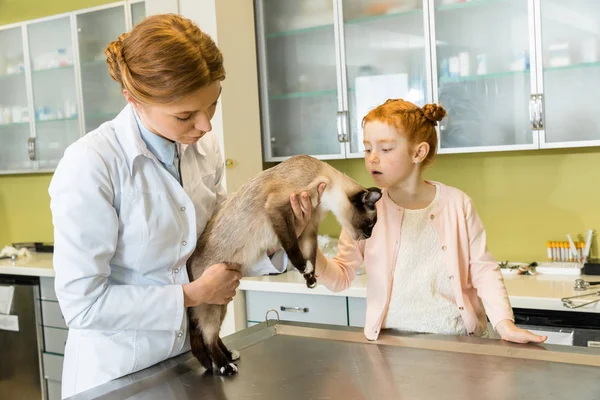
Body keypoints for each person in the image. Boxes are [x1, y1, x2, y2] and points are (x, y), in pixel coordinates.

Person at [48, 14, 320, 397]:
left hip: (188, 361)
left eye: (212, 105)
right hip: (117, 374)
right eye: (185, 115)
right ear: (133, 99)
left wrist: (277, 238)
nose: (206, 125)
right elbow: (83, 305)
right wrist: (193, 295)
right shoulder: (91, 164)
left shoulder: (202, 148)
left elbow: (218, 246)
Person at [314, 98, 547, 344]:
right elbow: (340, 278)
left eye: (385, 149)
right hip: (391, 346)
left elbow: (483, 269)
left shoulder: (458, 204)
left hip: (458, 343)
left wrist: (504, 324)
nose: (372, 158)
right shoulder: (363, 210)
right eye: (367, 148)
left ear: (418, 152)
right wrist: (305, 244)